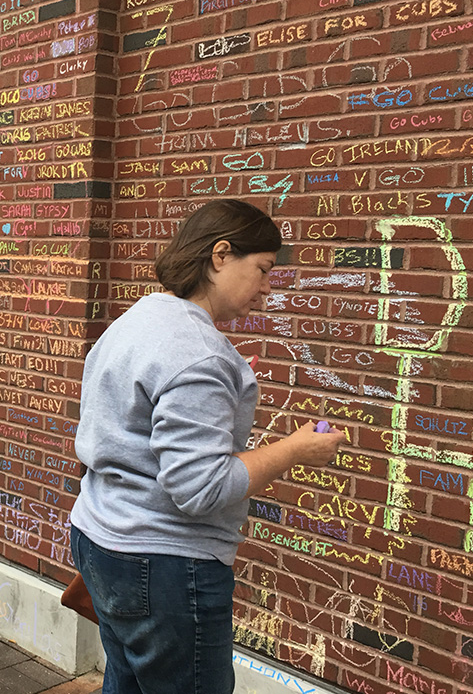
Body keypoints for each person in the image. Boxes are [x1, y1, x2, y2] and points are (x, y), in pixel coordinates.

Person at [70, 200, 345, 694]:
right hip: (165, 566)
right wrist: (295, 450)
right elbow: (201, 487)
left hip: (100, 536)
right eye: (262, 269)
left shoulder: (140, 318)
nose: (266, 287)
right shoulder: (198, 354)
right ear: (220, 256)